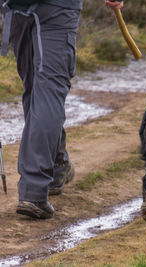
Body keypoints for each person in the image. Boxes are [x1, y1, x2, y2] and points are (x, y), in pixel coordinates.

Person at [0, 0, 123, 219]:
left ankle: (57, 164)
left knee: (35, 88)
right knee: (47, 92)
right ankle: (34, 191)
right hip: (57, 7)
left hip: (15, 6)